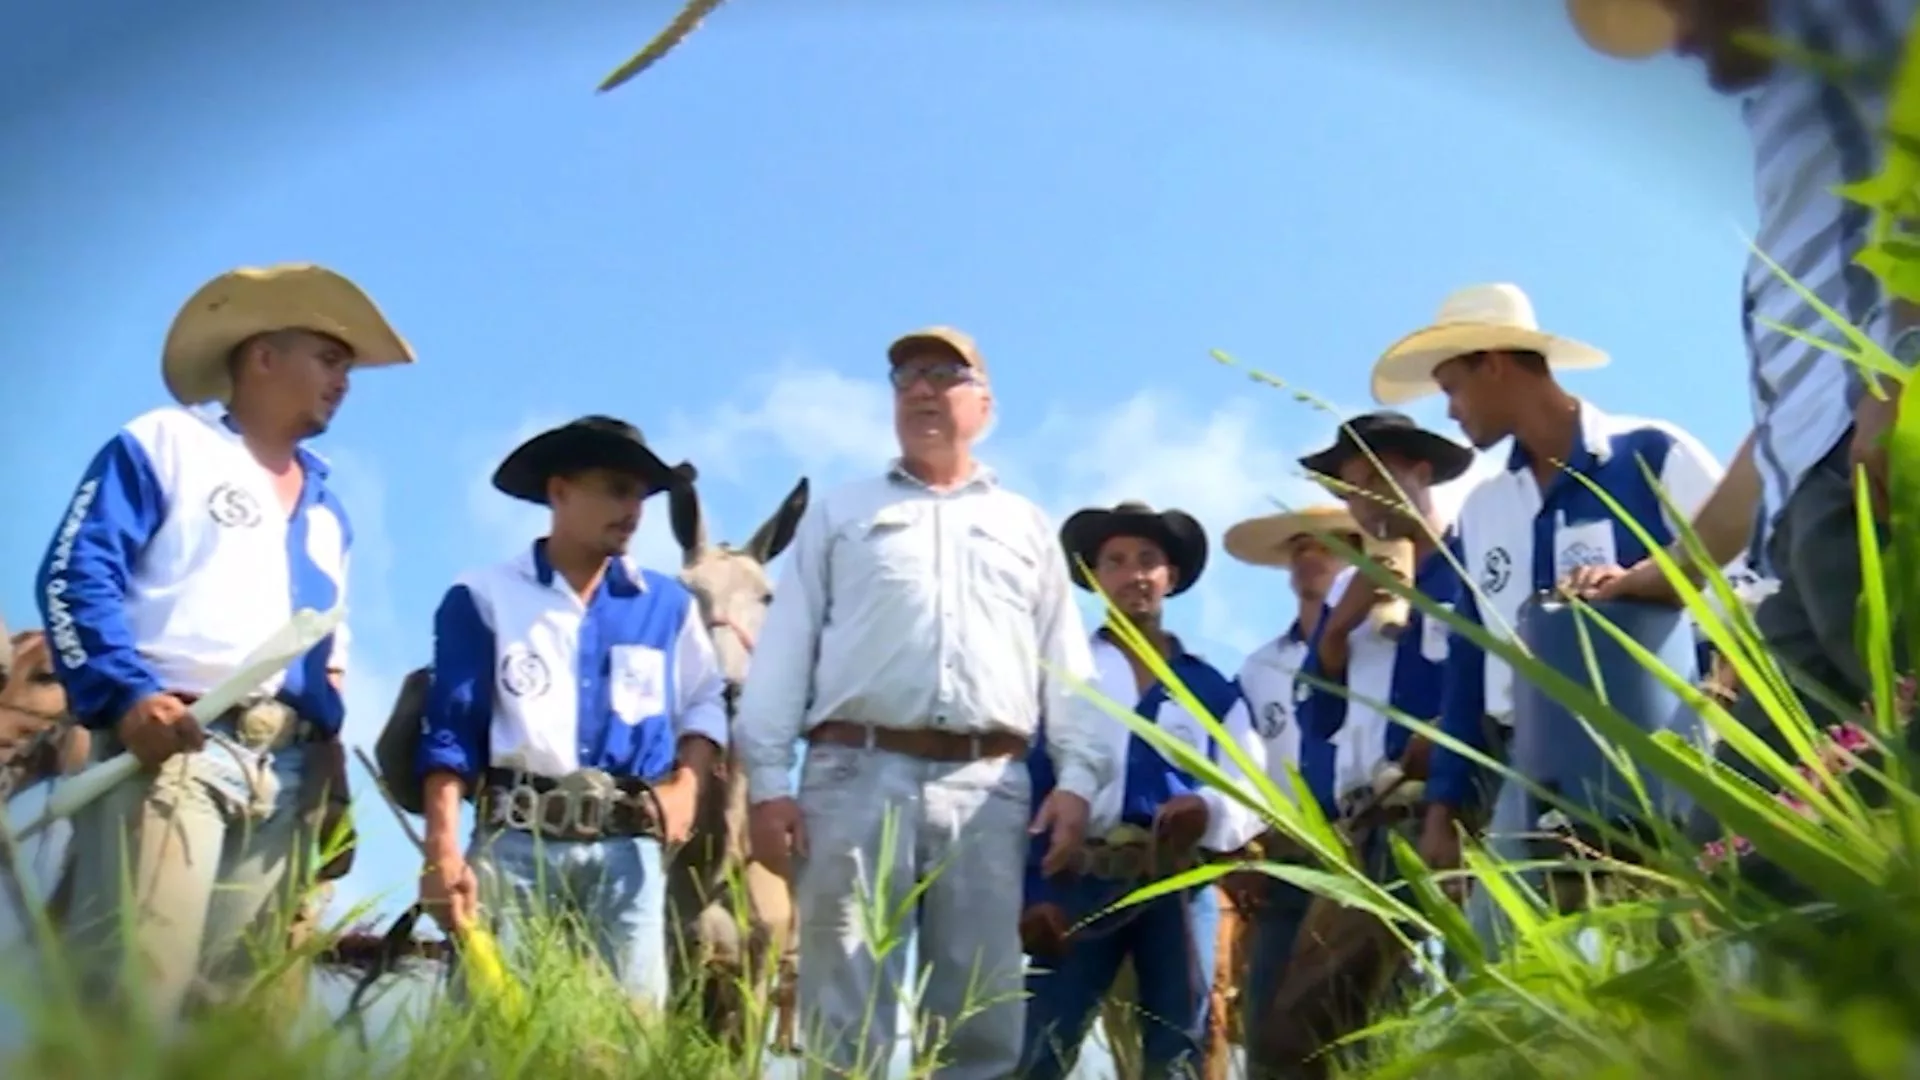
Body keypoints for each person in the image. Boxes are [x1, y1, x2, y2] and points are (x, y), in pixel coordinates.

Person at [1563, 0, 1920, 833]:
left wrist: (1899, 366)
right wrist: (1649, 578)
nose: (1676, 37)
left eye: (1679, 9)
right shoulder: (1785, 126)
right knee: (1755, 837)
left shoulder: (1861, 36)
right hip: (1809, 520)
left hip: (1871, 475)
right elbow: (1774, 447)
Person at [33, 262, 413, 1023]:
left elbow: (327, 648)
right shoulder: (165, 443)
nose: (345, 380)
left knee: (245, 1026)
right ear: (262, 355)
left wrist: (329, 762)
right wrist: (127, 697)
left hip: (290, 774)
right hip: (176, 747)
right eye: (329, 359)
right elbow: (76, 573)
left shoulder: (331, 509)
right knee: (133, 996)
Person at [734, 326, 1112, 1080]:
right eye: (904, 374)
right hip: (852, 775)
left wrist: (1077, 778)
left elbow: (1067, 668)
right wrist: (769, 784)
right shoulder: (842, 513)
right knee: (843, 1007)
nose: (920, 388)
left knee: (979, 1009)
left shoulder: (1025, 525)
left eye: (944, 373)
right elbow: (784, 653)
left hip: (989, 786)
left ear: (985, 403)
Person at [1364, 283, 1724, 891]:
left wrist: (1720, 704)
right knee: (1513, 953)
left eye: (1452, 387)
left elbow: (1739, 591)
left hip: (1660, 744)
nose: (1450, 410)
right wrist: (1444, 808)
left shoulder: (1653, 452)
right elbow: (1469, 665)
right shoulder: (1484, 509)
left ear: (1495, 362)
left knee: (1679, 930)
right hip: (1525, 767)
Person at [414, 416, 726, 1009]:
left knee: (624, 1041)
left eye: (640, 493)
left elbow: (705, 699)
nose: (632, 509)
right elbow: (450, 732)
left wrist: (687, 784)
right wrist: (443, 850)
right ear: (559, 491)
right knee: (491, 1039)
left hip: (629, 851)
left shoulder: (668, 607)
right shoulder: (483, 596)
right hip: (515, 845)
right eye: (615, 488)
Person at [1251, 412, 1473, 1078]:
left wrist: (1448, 779)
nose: (1360, 502)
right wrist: (1339, 631)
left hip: (1459, 810)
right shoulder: (1354, 588)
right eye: (1349, 490)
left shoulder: (1470, 563)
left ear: (1421, 474)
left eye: (1374, 481)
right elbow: (1321, 720)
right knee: (1305, 1025)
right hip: (1367, 821)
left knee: (1473, 998)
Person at [1017, 501, 1266, 1080]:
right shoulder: (1065, 673)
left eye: (1149, 561)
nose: (1135, 574)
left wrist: (1206, 809)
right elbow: (1034, 783)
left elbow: (1252, 788)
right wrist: (1032, 890)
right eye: (1117, 561)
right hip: (1078, 878)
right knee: (1043, 1043)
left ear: (1170, 577)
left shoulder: (1211, 686)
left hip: (1179, 882)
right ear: (1095, 577)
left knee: (1180, 1044)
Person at [1215, 505, 1358, 1061]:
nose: (1310, 558)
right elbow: (1239, 765)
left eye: (1326, 545)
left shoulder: (1381, 643)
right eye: (1300, 549)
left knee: (1367, 995)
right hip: (1286, 849)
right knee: (1269, 1002)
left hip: (1361, 832)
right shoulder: (1258, 670)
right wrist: (1244, 848)